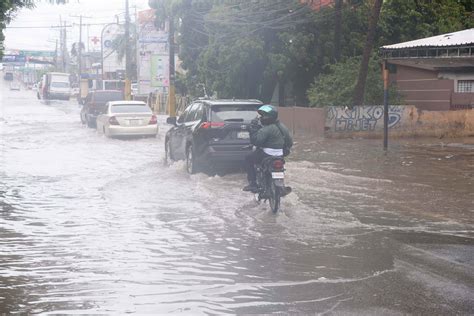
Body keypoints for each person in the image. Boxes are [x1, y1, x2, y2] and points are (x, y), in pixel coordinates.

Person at [243, 105, 293, 192]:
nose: (261, 118)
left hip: (267, 154)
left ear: (268, 117)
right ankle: (281, 186)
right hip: (280, 155)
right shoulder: (283, 127)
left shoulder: (267, 129)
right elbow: (289, 143)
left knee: (248, 158)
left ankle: (253, 184)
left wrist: (253, 129)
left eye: (263, 116)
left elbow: (256, 142)